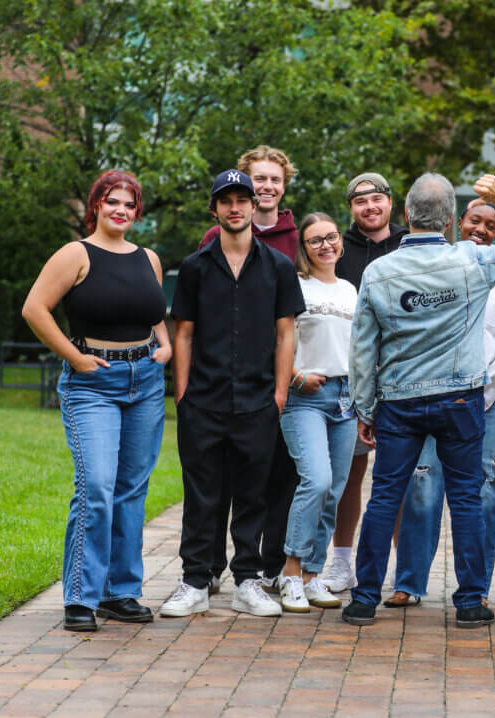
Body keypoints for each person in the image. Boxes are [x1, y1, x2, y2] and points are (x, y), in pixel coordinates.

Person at [342, 173, 495, 628]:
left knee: (384, 497)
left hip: (398, 400)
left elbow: (362, 349)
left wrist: (364, 407)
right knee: (468, 499)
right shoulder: (472, 260)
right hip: (460, 398)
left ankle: (364, 598)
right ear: (452, 219)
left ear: (405, 215)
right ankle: (470, 602)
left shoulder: (379, 272)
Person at [22, 170, 170, 632]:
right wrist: (76, 358)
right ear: (97, 206)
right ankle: (81, 598)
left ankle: (120, 593)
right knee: (98, 488)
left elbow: (153, 314)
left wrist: (163, 346)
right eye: (112, 202)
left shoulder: (149, 258)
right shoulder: (76, 254)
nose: (120, 210)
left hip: (144, 381)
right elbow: (34, 309)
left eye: (129, 204)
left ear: (137, 211)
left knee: (132, 491)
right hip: (93, 384)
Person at [160, 169, 304, 618]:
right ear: (215, 209)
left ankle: (247, 581)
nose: (236, 207)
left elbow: (286, 334)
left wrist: (280, 393)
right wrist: (182, 392)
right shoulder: (196, 267)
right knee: (201, 492)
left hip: (259, 399)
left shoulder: (279, 266)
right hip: (203, 399)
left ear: (254, 206)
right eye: (227, 200)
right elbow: (182, 333)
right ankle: (194, 581)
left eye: (243, 199)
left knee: (252, 493)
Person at [387, 201, 495, 608]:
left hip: (492, 394)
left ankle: (477, 587)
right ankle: (409, 582)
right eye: (475, 221)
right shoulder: (438, 266)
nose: (482, 229)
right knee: (423, 485)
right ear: (457, 223)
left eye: (491, 225)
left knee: (485, 489)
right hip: (436, 392)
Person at [197, 146, 301, 595]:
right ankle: (210, 566)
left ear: (284, 186)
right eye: (258, 179)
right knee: (219, 478)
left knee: (275, 478)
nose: (266, 187)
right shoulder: (211, 239)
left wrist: (285, 383)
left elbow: (299, 316)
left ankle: (267, 566)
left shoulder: (299, 239)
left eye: (274, 180)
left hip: (280, 383)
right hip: (221, 386)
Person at [322, 172, 410, 594]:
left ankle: (401, 566)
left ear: (391, 203)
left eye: (377, 199)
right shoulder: (338, 249)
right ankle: (341, 561)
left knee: (398, 476)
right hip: (350, 379)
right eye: (361, 201)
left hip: (400, 377)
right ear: (351, 208)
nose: (370, 207)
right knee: (349, 473)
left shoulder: (412, 244)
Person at [276, 213, 358, 613]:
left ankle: (312, 575)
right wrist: (293, 378)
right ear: (303, 248)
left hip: (346, 398)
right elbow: (276, 340)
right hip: (306, 395)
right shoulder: (294, 286)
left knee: (335, 490)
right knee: (317, 480)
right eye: (315, 240)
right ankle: (289, 573)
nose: (326, 245)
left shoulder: (350, 290)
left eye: (331, 237)